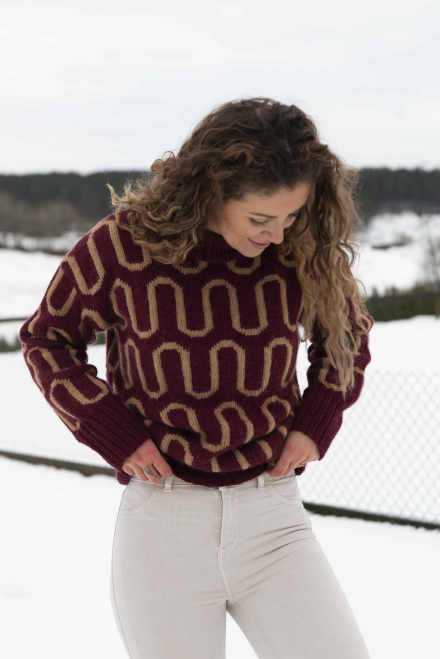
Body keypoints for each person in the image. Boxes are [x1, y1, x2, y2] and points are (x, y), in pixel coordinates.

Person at [19, 96, 374, 658]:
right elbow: (47, 338)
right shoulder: (123, 245)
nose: (277, 235)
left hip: (273, 517)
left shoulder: (298, 247)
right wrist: (115, 433)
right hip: (163, 522)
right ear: (211, 190)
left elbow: (347, 334)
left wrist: (316, 421)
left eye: (290, 217)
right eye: (260, 219)